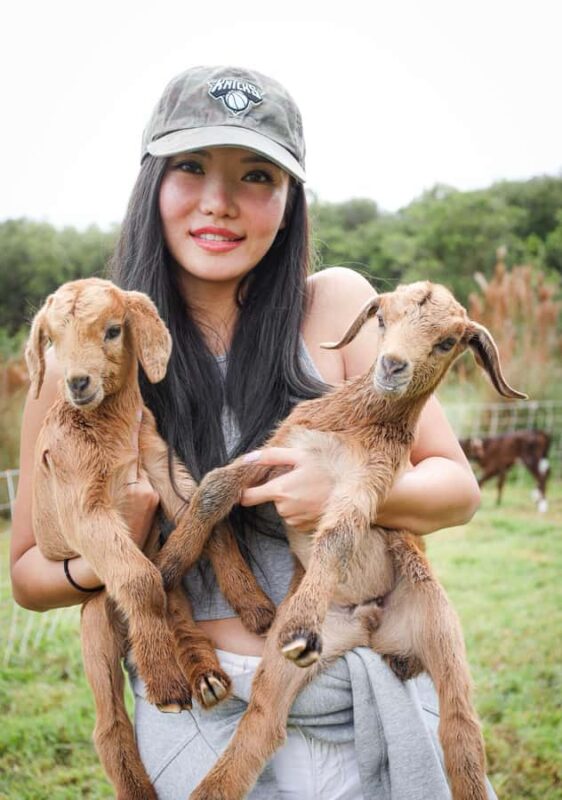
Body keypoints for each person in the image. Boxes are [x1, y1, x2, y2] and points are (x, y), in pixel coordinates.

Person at [10, 65, 494, 799]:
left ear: (290, 202)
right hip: (199, 722)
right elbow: (27, 575)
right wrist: (113, 551)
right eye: (191, 167)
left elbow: (457, 489)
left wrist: (345, 490)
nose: (219, 201)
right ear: (151, 185)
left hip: (364, 700)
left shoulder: (338, 305)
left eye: (257, 175)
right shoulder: (88, 345)